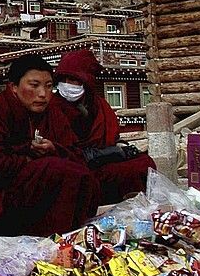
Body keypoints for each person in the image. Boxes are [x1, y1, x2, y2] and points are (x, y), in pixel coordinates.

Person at [0, 54, 100, 237]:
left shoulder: (53, 114)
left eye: (49, 86)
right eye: (34, 86)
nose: (43, 94)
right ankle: (51, 241)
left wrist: (53, 148)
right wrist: (31, 156)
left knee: (81, 174)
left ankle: (67, 237)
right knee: (54, 169)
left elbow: (76, 154)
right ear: (13, 87)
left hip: (23, 194)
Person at [53, 49, 155, 205]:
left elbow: (111, 138)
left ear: (86, 83)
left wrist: (122, 150)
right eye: (65, 80)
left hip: (102, 158)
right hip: (76, 162)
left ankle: (138, 207)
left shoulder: (98, 105)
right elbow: (65, 151)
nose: (69, 85)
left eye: (75, 80)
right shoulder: (53, 107)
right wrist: (113, 153)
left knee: (144, 162)